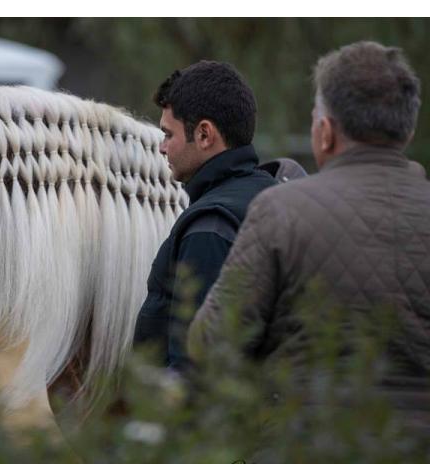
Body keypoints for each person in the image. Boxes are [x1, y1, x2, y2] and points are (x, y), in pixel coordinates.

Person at [188, 41, 430, 423]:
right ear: (408, 129)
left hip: (308, 456)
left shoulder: (280, 211)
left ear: (325, 132)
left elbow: (212, 342)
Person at [133, 61, 277, 373]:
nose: (161, 147)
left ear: (203, 134)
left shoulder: (209, 228)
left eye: (168, 134)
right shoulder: (271, 194)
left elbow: (195, 370)